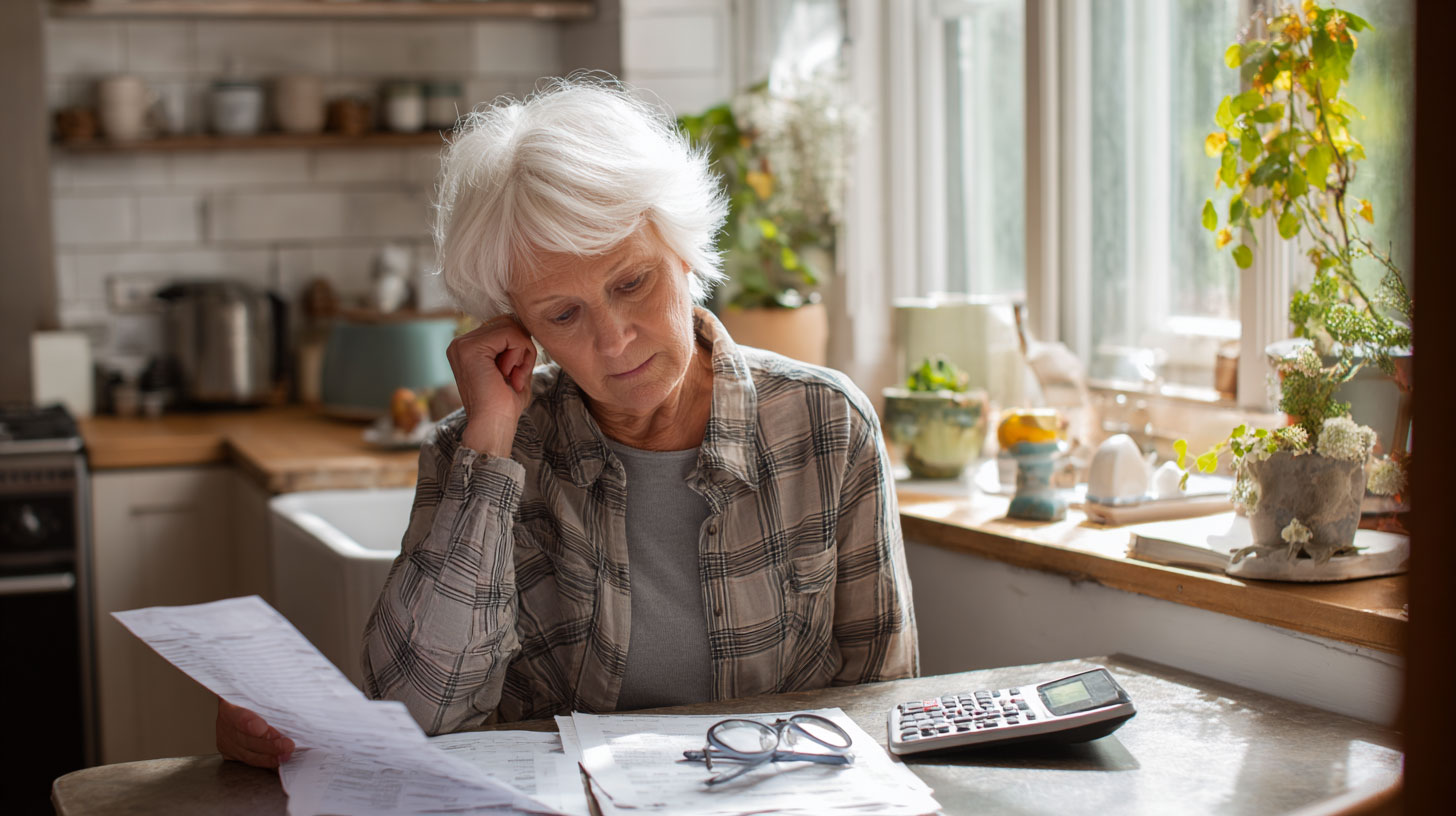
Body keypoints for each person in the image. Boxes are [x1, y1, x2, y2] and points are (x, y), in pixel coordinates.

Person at [216, 76, 917, 767]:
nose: (614, 340)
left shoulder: (826, 424)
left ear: (681, 249)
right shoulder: (480, 450)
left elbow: (884, 705)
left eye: (631, 283)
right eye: (562, 314)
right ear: (519, 326)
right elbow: (420, 712)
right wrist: (489, 440)